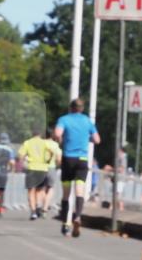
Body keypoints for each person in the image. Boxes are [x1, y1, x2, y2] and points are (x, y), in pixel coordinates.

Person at [54, 98, 101, 238]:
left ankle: (65, 224)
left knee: (66, 193)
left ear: (71, 108)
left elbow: (57, 133)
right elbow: (97, 139)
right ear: (82, 108)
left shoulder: (64, 119)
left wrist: (61, 140)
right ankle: (78, 216)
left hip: (68, 159)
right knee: (79, 191)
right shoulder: (87, 121)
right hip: (82, 160)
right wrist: (88, 139)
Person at [17, 127, 59, 220]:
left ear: (32, 134)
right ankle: (38, 206)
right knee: (40, 190)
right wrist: (47, 161)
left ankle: (33, 212)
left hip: (32, 168)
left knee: (31, 190)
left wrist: (23, 162)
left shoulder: (27, 143)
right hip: (43, 169)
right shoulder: (44, 143)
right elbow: (51, 153)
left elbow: (20, 155)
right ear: (40, 135)